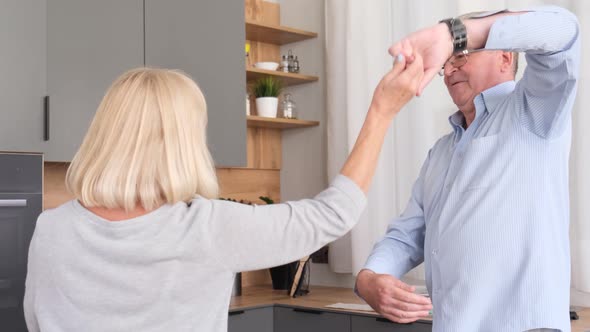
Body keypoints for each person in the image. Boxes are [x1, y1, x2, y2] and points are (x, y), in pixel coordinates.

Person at [23, 51, 423, 331]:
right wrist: (381, 112)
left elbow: (37, 321)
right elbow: (335, 212)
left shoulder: (51, 228)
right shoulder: (207, 226)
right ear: (183, 142)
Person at [355, 6, 580, 332]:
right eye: (446, 62)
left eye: (460, 56)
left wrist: (452, 34)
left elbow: (564, 32)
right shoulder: (440, 153)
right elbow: (407, 236)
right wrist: (369, 279)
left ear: (505, 58)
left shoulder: (533, 112)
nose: (447, 72)